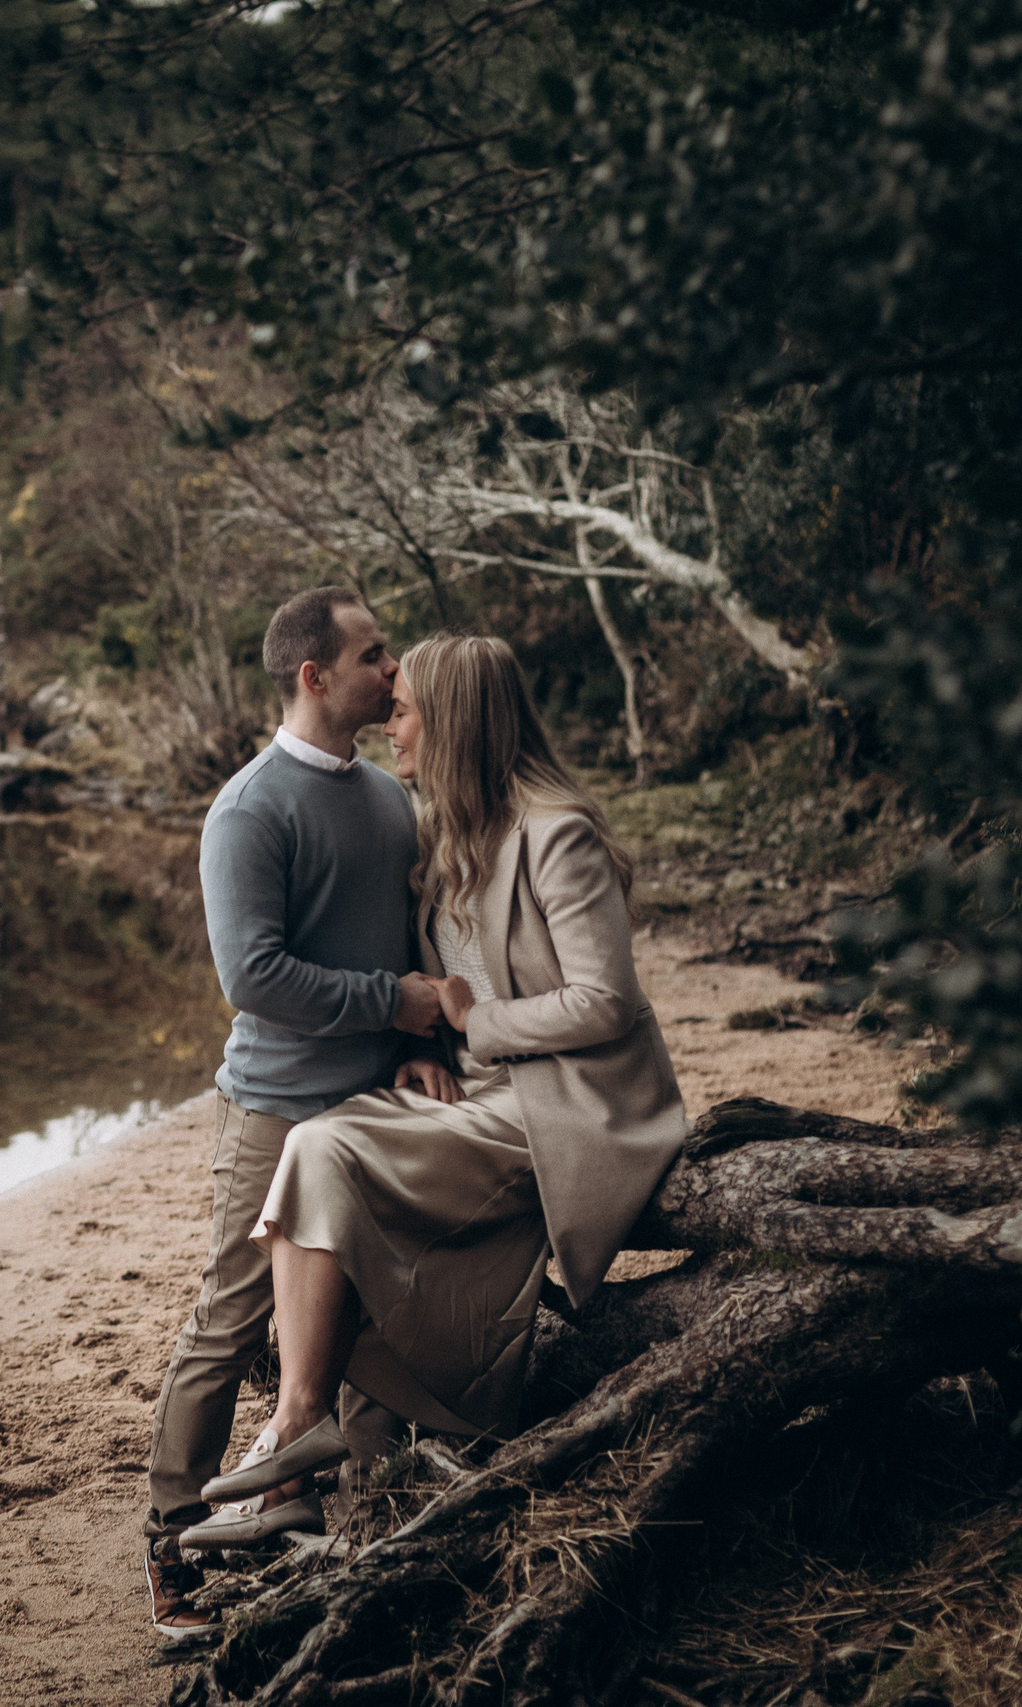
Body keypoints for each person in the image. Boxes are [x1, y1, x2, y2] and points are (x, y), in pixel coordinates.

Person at [183, 634, 688, 1530]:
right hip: (483, 1093)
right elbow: (428, 972)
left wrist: (470, 1025)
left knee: (327, 1146)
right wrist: (431, 1051)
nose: (390, 724)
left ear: (454, 723)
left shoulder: (554, 833)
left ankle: (294, 1431)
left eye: (405, 709)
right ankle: (299, 1452)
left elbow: (606, 1002)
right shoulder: (445, 831)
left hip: (565, 1103)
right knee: (321, 1145)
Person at [143, 587, 447, 1643]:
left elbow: (416, 943)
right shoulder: (248, 809)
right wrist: (391, 1003)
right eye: (372, 654)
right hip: (274, 1106)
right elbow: (253, 978)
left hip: (372, 1106)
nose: (390, 668)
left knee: (368, 1316)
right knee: (228, 1322)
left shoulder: (387, 800)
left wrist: (415, 1041)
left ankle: (333, 1520)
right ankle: (172, 1541)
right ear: (314, 678)